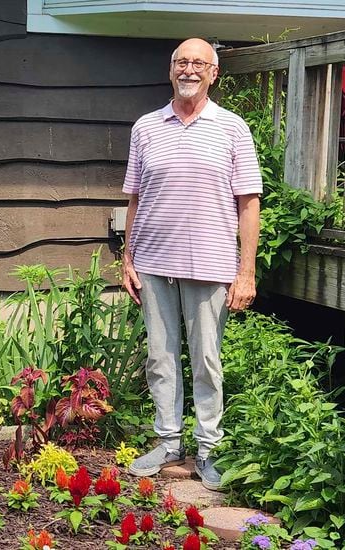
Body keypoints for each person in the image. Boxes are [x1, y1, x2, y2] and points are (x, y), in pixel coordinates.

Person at [121, 38, 262, 490]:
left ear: (213, 73)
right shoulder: (145, 127)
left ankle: (208, 450)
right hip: (154, 261)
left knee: (206, 359)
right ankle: (167, 442)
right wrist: (128, 256)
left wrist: (246, 271)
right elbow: (135, 197)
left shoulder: (233, 127)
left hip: (211, 263)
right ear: (170, 70)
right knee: (160, 358)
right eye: (181, 62)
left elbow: (249, 202)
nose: (189, 70)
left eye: (198, 63)